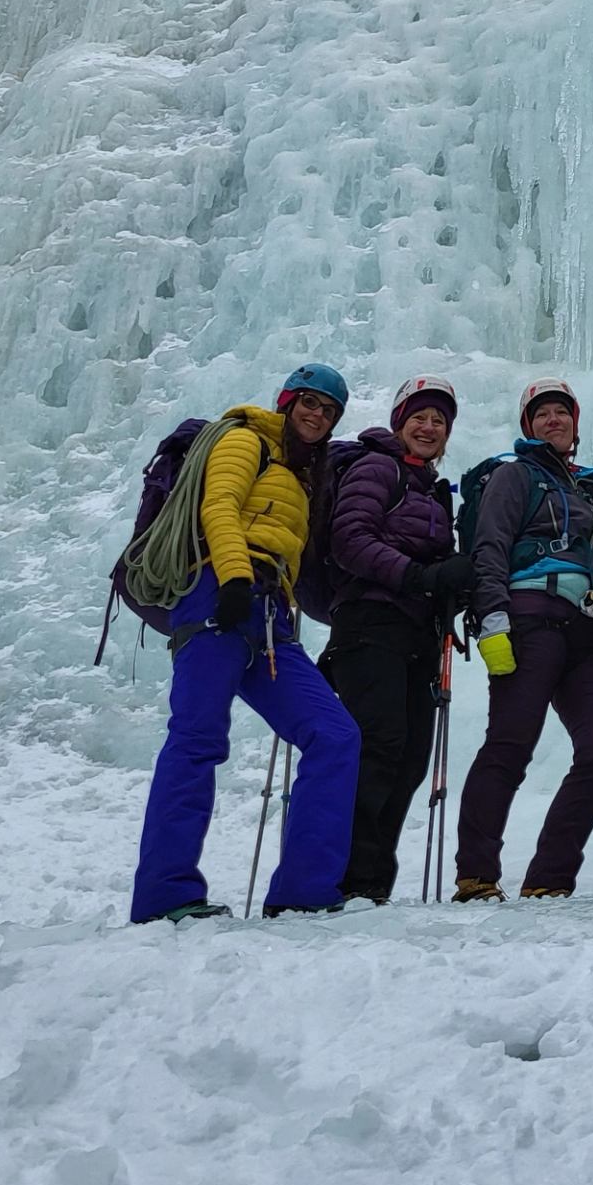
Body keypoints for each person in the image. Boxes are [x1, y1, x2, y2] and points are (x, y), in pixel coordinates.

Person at [130, 363, 361, 923]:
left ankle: (305, 890)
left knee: (335, 734)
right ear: (286, 402)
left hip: (268, 616)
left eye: (328, 410)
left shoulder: (303, 472)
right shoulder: (243, 439)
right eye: (309, 402)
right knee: (197, 740)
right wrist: (232, 579)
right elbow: (219, 507)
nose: (317, 415)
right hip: (217, 595)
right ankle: (165, 896)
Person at [452, 380, 593, 900]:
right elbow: (490, 547)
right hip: (529, 617)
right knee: (510, 745)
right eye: (542, 414)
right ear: (528, 426)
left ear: (575, 425)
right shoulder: (515, 475)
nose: (554, 420)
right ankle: (476, 876)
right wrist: (493, 620)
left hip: (590, 630)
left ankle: (549, 879)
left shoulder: (582, 493)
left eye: (562, 413)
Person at [324, 375, 472, 905]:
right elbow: (350, 538)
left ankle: (371, 882)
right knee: (380, 747)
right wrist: (418, 576)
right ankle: (345, 878)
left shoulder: (431, 487)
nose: (429, 427)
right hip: (369, 625)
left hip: (415, 634)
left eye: (439, 421)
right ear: (399, 422)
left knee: (409, 758)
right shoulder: (376, 466)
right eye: (420, 417)